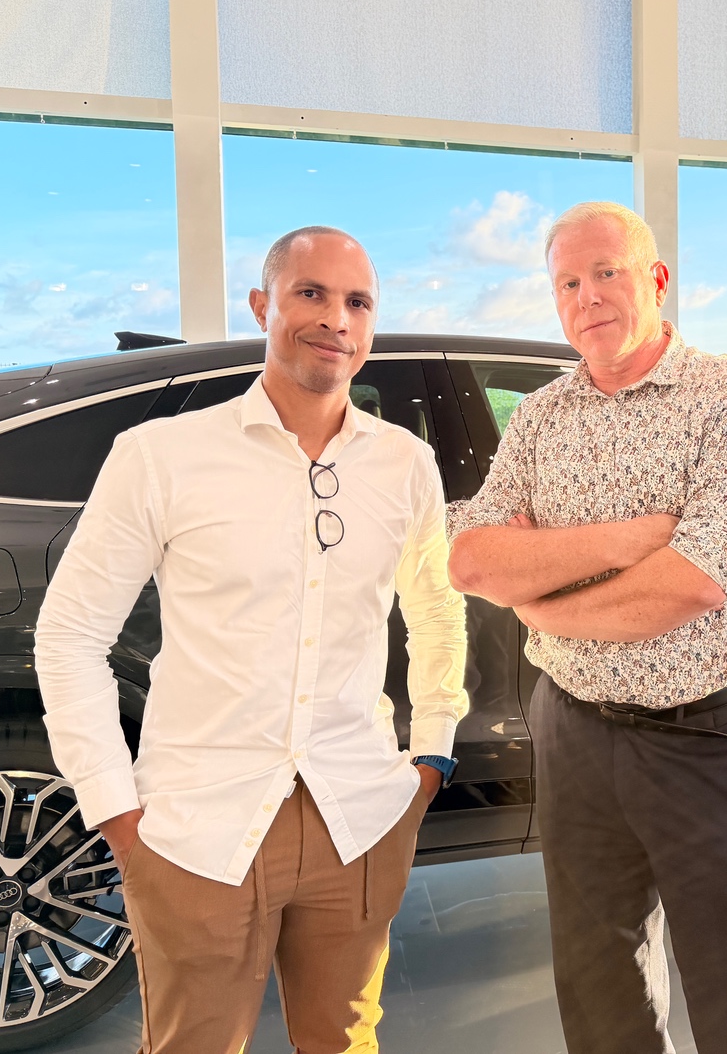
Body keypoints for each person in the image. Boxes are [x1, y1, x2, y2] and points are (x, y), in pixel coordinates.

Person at [35, 226, 469, 1054]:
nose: (335, 319)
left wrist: (431, 758)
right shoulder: (162, 456)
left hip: (360, 815)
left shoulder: (406, 464)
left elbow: (437, 609)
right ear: (263, 305)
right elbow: (69, 635)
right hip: (197, 826)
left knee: (345, 1042)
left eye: (357, 302)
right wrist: (116, 811)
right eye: (311, 293)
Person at [445, 202, 727, 1053]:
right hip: (572, 731)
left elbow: (695, 581)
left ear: (656, 279)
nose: (587, 297)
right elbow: (472, 561)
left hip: (709, 737)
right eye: (567, 282)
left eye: (606, 273)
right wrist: (632, 539)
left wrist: (545, 603)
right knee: (599, 987)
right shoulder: (541, 416)